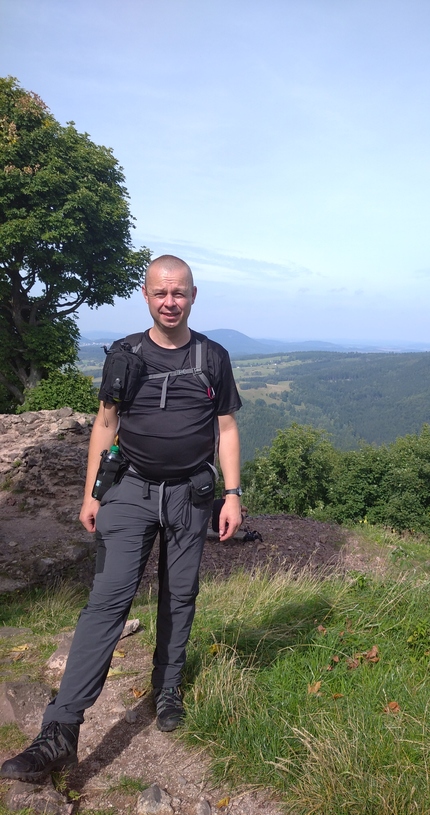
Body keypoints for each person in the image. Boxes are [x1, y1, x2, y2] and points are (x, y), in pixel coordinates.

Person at [0, 255, 243, 782]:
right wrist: (92, 494)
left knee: (181, 594)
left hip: (190, 493)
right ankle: (59, 732)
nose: (170, 302)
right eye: (161, 293)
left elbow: (225, 428)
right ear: (146, 295)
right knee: (108, 601)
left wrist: (232, 494)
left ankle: (167, 687)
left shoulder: (213, 357)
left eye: (179, 293)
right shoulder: (125, 354)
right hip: (130, 489)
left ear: (193, 296)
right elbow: (105, 424)